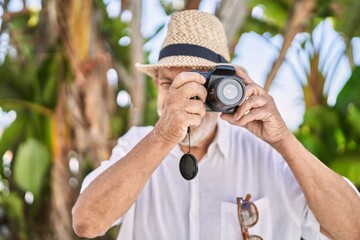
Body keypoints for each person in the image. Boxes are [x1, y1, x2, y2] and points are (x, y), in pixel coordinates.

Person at [72, 10, 360, 240]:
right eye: (168, 84)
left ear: (225, 88)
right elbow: (86, 223)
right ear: (155, 85)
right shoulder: (136, 143)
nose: (180, 98)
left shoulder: (268, 152)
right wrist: (163, 136)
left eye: (196, 83)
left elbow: (353, 230)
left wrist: (283, 139)